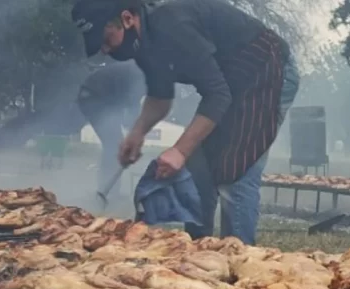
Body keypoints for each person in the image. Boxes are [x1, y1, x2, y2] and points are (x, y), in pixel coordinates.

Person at [71, 0, 300, 245]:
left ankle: (240, 262)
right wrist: (137, 133)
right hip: (231, 85)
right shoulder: (146, 45)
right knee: (198, 167)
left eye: (106, 40)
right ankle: (198, 252)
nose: (105, 50)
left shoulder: (172, 26)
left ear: (127, 18)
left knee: (236, 170)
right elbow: (160, 97)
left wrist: (179, 150)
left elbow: (217, 95)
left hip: (265, 70)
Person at [77, 61, 144, 199]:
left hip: (104, 98)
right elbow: (132, 100)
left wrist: (135, 132)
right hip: (94, 97)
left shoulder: (140, 71)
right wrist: (135, 133)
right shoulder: (141, 71)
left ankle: (109, 190)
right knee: (114, 144)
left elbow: (132, 103)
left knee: (115, 143)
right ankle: (108, 191)